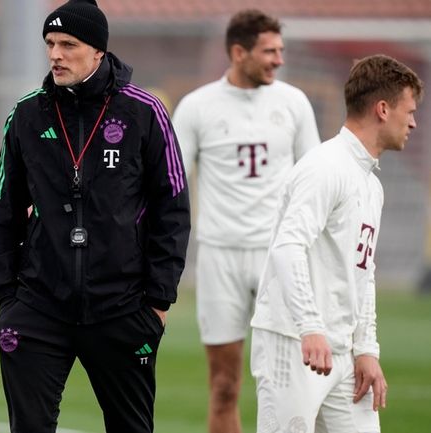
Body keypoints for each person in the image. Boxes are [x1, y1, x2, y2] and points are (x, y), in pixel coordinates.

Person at [0, 1, 190, 431]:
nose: (55, 54)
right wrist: (9, 296)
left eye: (68, 44)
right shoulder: (26, 114)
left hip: (122, 309)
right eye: (50, 44)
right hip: (39, 307)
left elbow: (173, 206)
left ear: (98, 51)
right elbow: (3, 207)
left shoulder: (144, 111)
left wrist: (157, 301)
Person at [251, 54, 423, 433]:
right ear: (382, 109)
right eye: (409, 111)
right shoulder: (324, 167)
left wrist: (367, 349)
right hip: (293, 342)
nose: (413, 122)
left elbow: (364, 272)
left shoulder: (371, 184)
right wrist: (310, 327)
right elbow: (288, 246)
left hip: (342, 353)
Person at [170, 10, 320, 433]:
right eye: (269, 51)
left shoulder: (293, 103)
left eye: (280, 50)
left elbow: (315, 180)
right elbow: (172, 185)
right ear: (238, 52)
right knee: (223, 385)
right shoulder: (197, 107)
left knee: (294, 387)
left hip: (281, 258)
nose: (279, 59)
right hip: (220, 258)